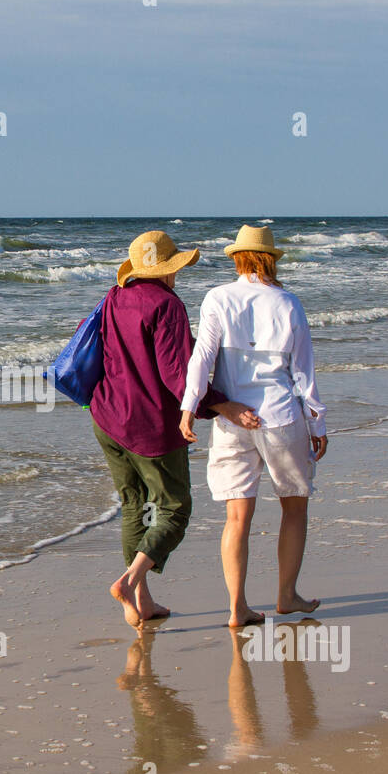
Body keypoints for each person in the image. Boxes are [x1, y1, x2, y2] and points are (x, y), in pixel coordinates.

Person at [92, 230, 260, 630]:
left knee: (135, 505)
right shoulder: (167, 305)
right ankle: (128, 582)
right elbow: (177, 374)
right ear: (169, 269)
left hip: (107, 417)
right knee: (174, 508)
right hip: (148, 425)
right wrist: (221, 404)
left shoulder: (114, 297)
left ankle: (140, 603)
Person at [179, 225, 327, 628]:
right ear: (271, 258)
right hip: (280, 416)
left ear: (237, 258)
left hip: (233, 419)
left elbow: (201, 359)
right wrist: (317, 421)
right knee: (294, 507)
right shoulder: (288, 303)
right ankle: (286, 595)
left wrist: (189, 407)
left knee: (237, 518)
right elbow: (303, 372)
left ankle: (237, 608)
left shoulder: (217, 298)